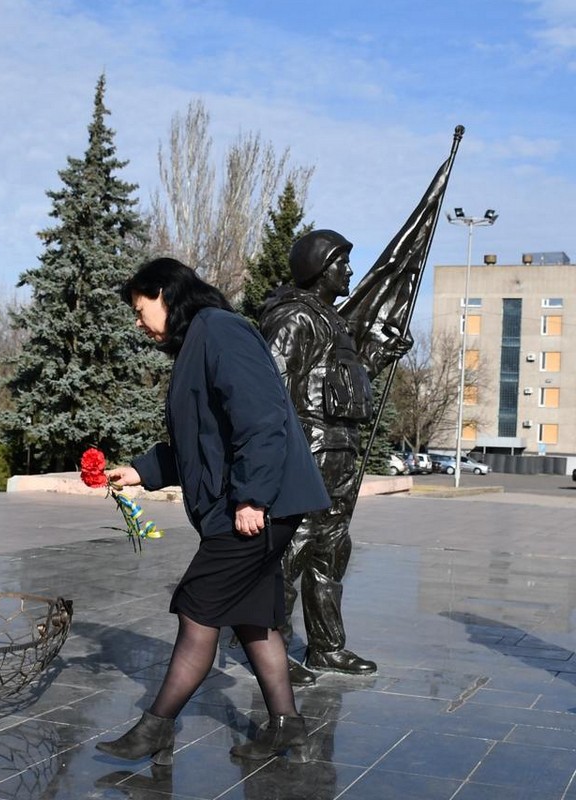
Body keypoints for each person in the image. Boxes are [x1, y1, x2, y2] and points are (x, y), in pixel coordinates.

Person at [95, 257, 330, 765]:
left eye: (140, 310)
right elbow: (203, 441)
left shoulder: (220, 331)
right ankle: (288, 726)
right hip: (248, 502)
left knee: (198, 607)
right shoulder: (199, 341)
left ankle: (155, 727)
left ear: (164, 292)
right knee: (252, 619)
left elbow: (262, 418)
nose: (139, 323)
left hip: (254, 506)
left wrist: (252, 496)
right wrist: (139, 471)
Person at [259, 230, 410, 686]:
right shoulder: (294, 320)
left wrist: (378, 358)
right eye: (342, 263)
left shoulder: (332, 322)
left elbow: (343, 383)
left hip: (341, 456)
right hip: (307, 455)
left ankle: (327, 647)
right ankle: (272, 650)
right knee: (292, 554)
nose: (349, 271)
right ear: (320, 268)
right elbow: (271, 392)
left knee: (331, 552)